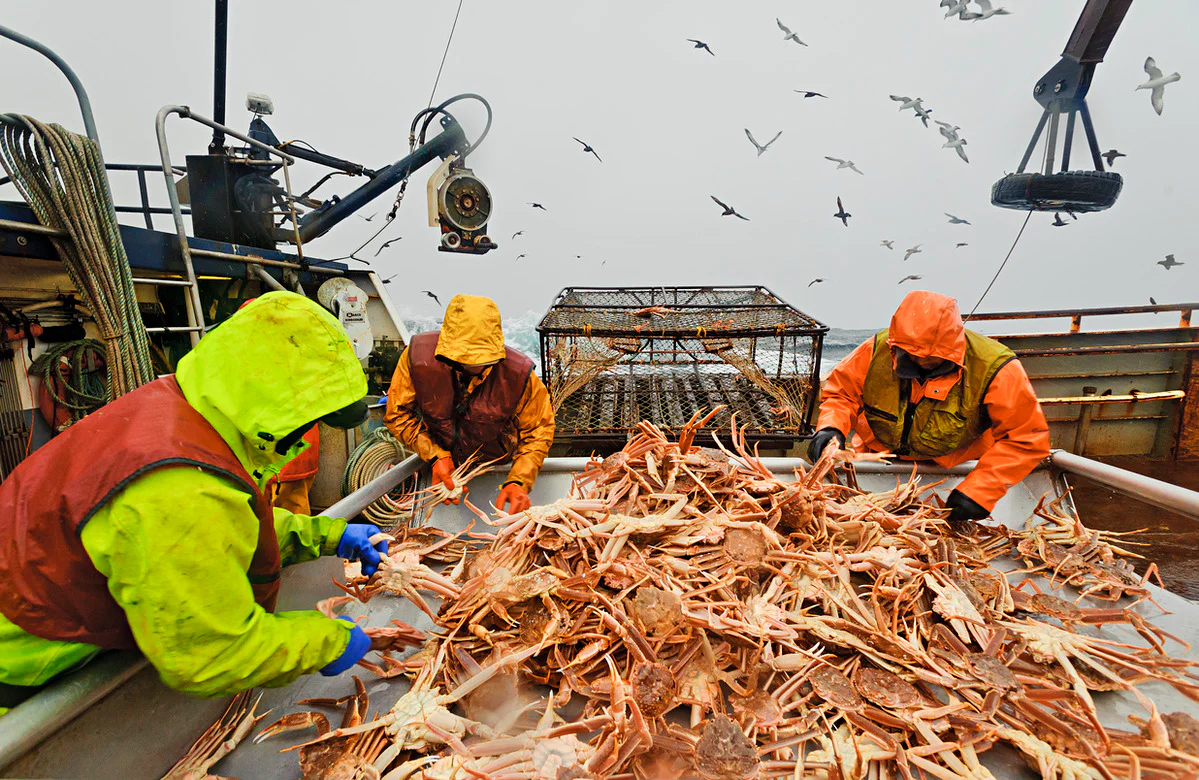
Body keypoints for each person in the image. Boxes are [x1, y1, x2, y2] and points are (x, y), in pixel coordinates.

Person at [0, 292, 391, 705]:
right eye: (311, 418)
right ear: (279, 406)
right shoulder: (176, 488)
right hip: (20, 684)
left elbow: (227, 525)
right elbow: (210, 654)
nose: (309, 432)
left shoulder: (183, 407)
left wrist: (329, 535)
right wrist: (328, 642)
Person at [809, 290, 1050, 522]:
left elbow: (1026, 438)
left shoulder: (995, 367)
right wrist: (831, 428)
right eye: (912, 355)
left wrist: (981, 491)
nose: (922, 361)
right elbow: (842, 394)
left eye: (932, 357)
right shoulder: (876, 350)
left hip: (954, 475)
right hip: (877, 465)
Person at [384, 294, 555, 515]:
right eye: (464, 360)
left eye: (484, 361)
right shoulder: (416, 357)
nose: (474, 366)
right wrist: (436, 455)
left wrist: (518, 480)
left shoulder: (520, 375)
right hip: (438, 467)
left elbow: (539, 431)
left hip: (496, 465)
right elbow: (397, 414)